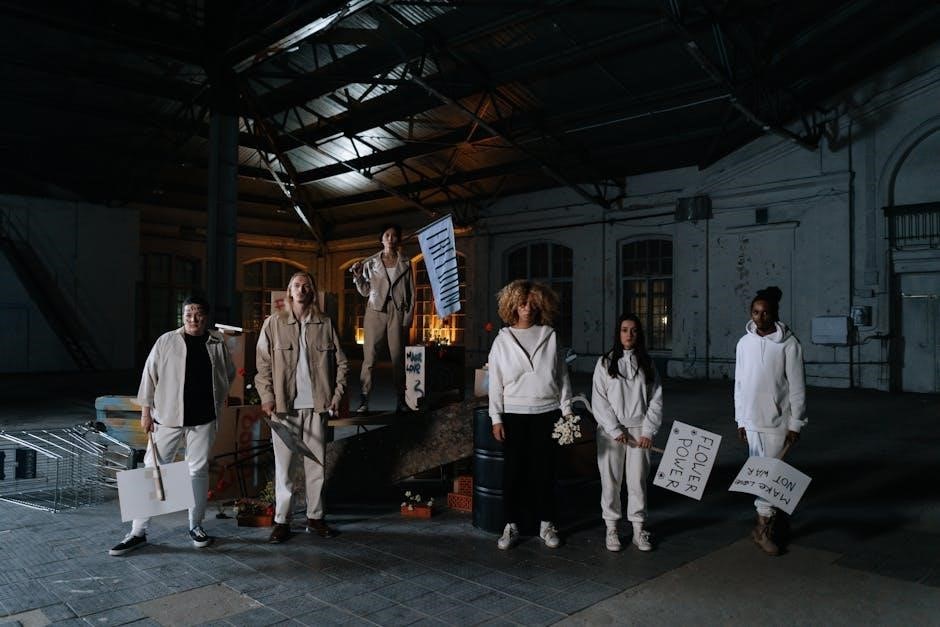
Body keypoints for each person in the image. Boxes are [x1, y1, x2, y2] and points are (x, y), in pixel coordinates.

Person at [109, 296, 235, 556]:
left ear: (206, 317)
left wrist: (218, 399)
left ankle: (195, 526)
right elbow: (149, 375)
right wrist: (146, 412)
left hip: (204, 418)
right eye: (188, 314)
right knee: (152, 468)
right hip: (167, 417)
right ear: (182, 316)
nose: (193, 319)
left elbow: (228, 373)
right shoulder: (167, 341)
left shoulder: (216, 343)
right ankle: (137, 532)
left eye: (198, 314)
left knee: (197, 470)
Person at [255, 271, 348, 543]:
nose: (301, 289)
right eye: (296, 285)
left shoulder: (325, 323)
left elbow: (342, 363)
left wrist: (337, 395)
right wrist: (267, 397)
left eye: (306, 285)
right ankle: (282, 521)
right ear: (289, 291)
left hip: (317, 407)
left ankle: (315, 518)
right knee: (284, 468)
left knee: (316, 466)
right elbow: (262, 365)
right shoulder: (274, 323)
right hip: (284, 408)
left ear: (313, 292)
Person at [488, 279, 573, 550]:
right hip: (514, 414)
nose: (527, 308)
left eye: (532, 303)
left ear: (540, 304)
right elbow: (495, 382)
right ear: (513, 305)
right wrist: (496, 418)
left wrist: (567, 411)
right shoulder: (502, 341)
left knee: (545, 471)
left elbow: (562, 377)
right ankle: (511, 524)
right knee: (513, 472)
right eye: (522, 303)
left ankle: (546, 524)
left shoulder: (551, 336)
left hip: (547, 412)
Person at [734, 286, 807, 556]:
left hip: (777, 422)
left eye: (765, 313)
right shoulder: (744, 343)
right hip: (752, 422)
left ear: (774, 314)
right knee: (760, 478)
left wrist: (795, 423)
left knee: (770, 476)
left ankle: (763, 529)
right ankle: (764, 525)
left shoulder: (790, 344)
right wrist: (740, 419)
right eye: (755, 312)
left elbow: (797, 387)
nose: (760, 317)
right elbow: (739, 384)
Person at [591, 314, 662, 553]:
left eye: (633, 330)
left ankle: (639, 529)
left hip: (640, 429)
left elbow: (656, 399)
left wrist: (648, 431)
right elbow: (599, 399)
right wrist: (613, 429)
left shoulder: (647, 363)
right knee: (610, 480)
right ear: (618, 333)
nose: (629, 335)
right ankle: (611, 528)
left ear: (639, 334)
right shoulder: (605, 363)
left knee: (637, 479)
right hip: (611, 432)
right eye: (624, 330)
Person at [351, 224, 415, 414]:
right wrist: (358, 276)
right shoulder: (371, 263)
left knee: (398, 359)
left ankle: (401, 400)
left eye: (394, 235)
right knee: (369, 358)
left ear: (398, 239)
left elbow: (411, 293)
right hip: (375, 310)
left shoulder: (406, 262)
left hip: (397, 311)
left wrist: (407, 320)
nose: (390, 238)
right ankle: (364, 399)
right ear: (381, 239)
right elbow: (365, 291)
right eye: (387, 235)